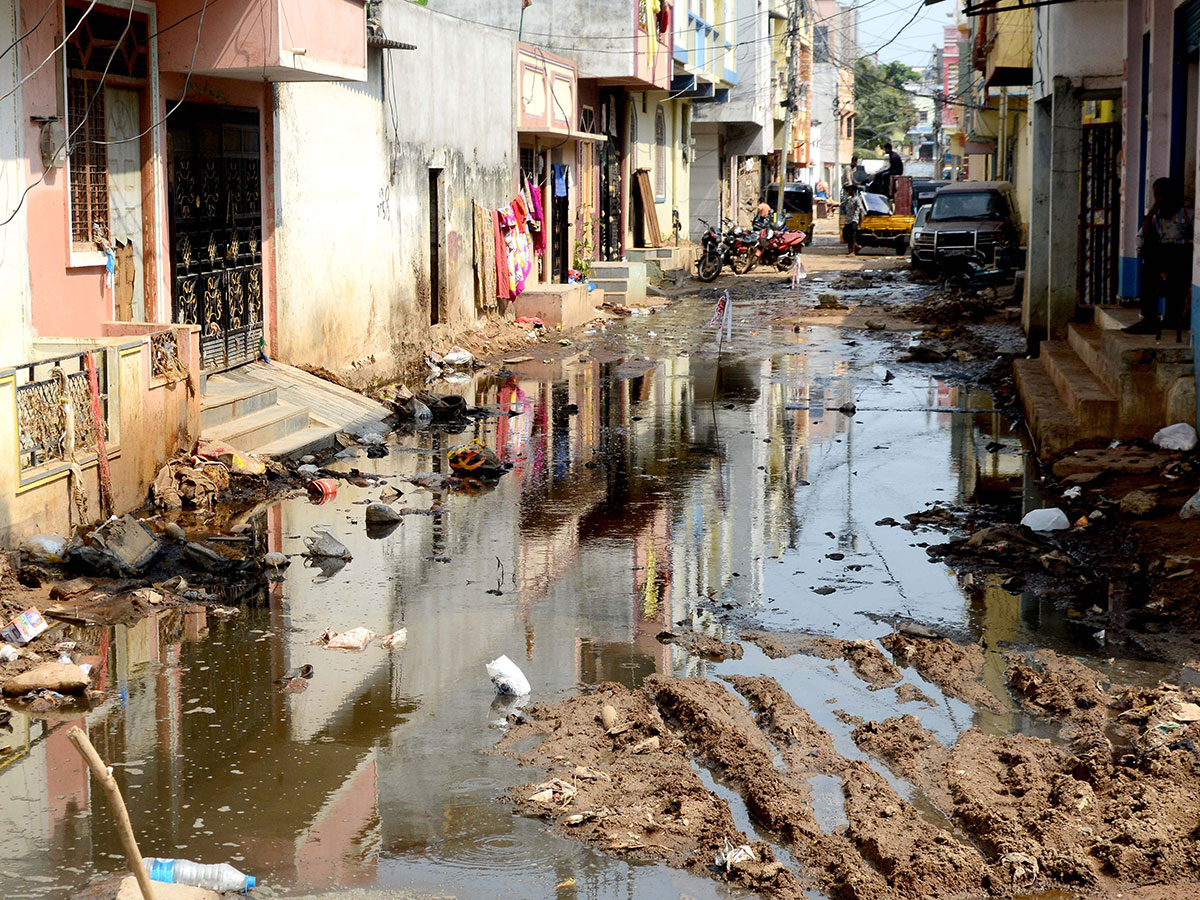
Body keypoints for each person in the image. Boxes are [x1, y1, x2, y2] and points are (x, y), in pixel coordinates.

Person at [1126, 176, 1193, 336]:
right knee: (1148, 269)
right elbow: (1140, 241)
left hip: (1183, 258)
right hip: (1163, 258)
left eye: (1163, 194)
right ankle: (1149, 319)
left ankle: (1173, 316)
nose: (1160, 198)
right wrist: (1150, 215)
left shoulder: (1187, 214)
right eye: (1157, 195)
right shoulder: (1155, 217)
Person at [842, 184, 865, 256]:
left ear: (853, 190)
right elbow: (842, 204)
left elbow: (861, 208)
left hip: (854, 220)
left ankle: (853, 252)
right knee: (846, 235)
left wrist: (862, 215)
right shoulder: (849, 199)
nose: (848, 191)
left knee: (852, 236)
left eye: (849, 189)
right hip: (848, 220)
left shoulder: (857, 199)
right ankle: (856, 247)